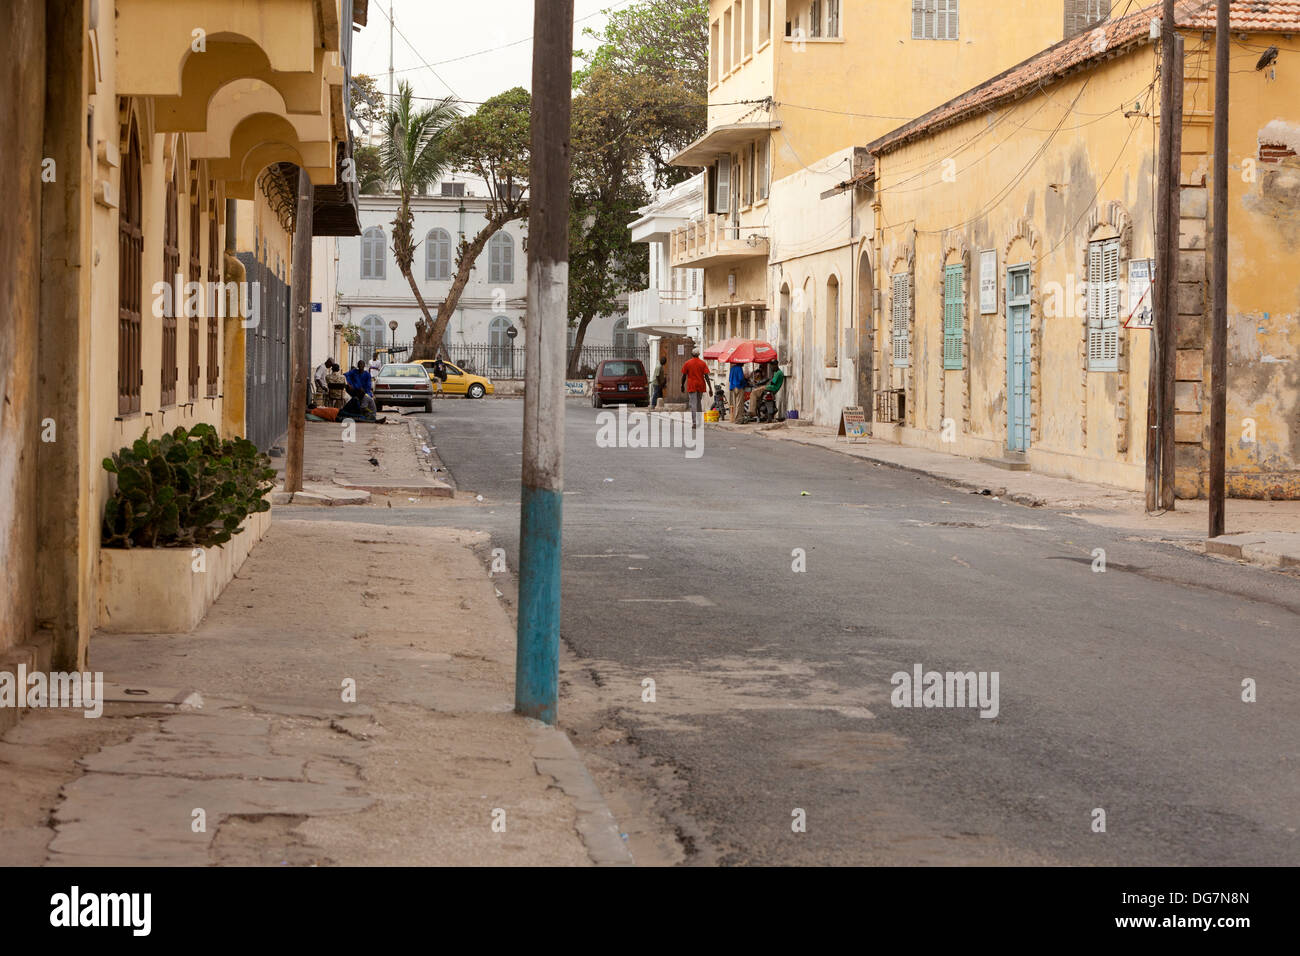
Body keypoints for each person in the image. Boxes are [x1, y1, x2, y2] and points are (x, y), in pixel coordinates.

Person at [680, 348, 712, 431]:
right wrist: (710, 388)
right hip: (700, 385)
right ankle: (699, 421)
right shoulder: (702, 363)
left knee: (693, 404)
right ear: (698, 354)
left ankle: (694, 423)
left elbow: (684, 376)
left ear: (691, 354)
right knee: (698, 404)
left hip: (692, 385)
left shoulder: (687, 363)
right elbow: (707, 377)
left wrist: (682, 385)